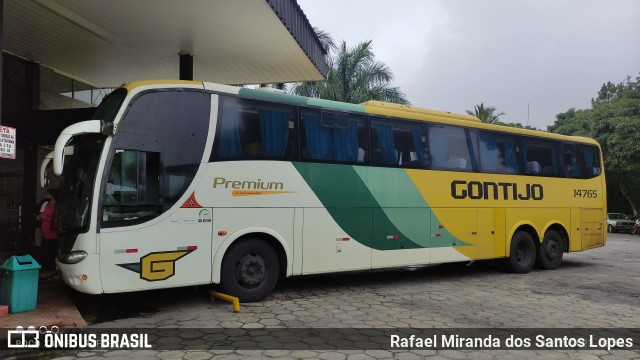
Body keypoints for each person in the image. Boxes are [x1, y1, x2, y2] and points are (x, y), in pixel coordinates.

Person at [37, 188, 58, 277]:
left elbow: (56, 219)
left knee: (52, 249)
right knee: (45, 248)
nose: (47, 195)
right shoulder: (45, 204)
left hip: (53, 231)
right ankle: (46, 266)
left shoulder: (58, 205)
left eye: (49, 194)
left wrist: (46, 218)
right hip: (45, 231)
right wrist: (50, 219)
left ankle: (52, 268)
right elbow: (39, 217)